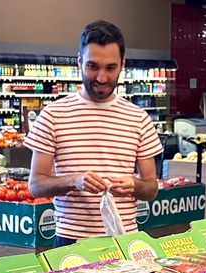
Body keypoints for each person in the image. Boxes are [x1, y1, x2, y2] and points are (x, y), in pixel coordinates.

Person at [26, 20, 163, 245]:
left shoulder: (139, 118)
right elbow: (36, 186)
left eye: (110, 68)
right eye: (93, 66)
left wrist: (135, 186)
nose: (101, 78)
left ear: (122, 65)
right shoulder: (53, 115)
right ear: (80, 63)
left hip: (123, 240)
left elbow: (150, 189)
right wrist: (74, 181)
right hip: (71, 242)